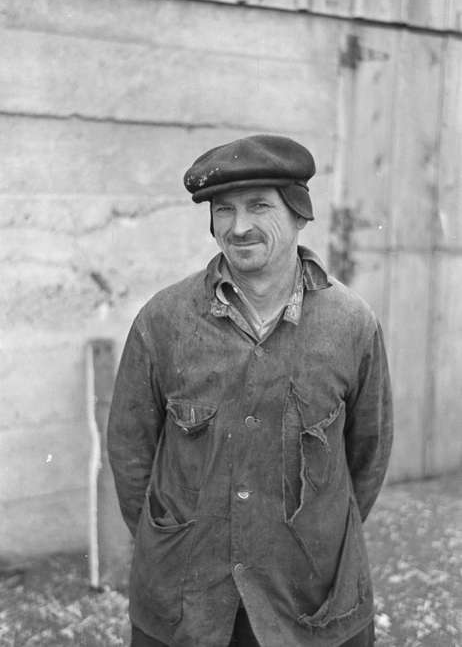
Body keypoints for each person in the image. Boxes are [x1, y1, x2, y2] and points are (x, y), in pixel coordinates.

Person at [108, 135, 393, 647]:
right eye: (223, 210)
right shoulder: (163, 321)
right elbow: (130, 456)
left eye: (259, 206)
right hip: (187, 601)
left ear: (299, 214)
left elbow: (367, 458)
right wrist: (173, 542)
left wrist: (314, 536)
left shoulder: (351, 325)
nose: (238, 227)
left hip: (309, 601)